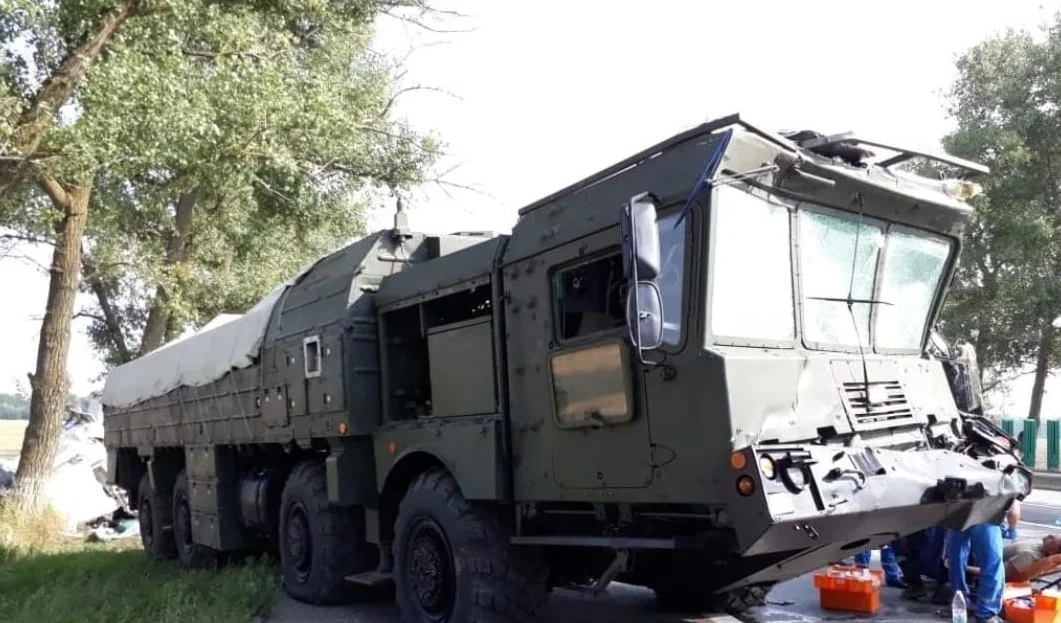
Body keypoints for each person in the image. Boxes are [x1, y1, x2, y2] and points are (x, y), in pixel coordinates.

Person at [946, 522, 1005, 623]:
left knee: (957, 554)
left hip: (956, 515)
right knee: (992, 562)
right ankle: (986, 613)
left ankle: (959, 603)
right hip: (985, 516)